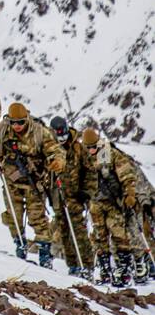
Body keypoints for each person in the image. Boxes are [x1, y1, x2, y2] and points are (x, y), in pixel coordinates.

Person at [0, 102, 65, 266]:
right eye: (13, 122)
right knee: (13, 216)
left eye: (20, 122)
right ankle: (19, 245)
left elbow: (55, 150)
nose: (17, 126)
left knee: (37, 218)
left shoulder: (39, 132)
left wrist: (57, 161)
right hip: (11, 181)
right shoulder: (3, 129)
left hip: (34, 182)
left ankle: (45, 254)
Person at [80, 127, 151, 286]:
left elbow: (127, 175)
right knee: (100, 235)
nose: (91, 150)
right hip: (95, 203)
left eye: (93, 147)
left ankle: (124, 269)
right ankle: (105, 269)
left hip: (114, 202)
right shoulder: (83, 157)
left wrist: (130, 194)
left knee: (119, 233)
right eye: (88, 147)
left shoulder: (110, 154)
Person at [49, 117, 94, 279]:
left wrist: (86, 192)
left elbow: (90, 171)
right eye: (58, 133)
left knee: (79, 230)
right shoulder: (50, 147)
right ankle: (73, 265)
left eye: (63, 132)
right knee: (64, 230)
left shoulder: (78, 148)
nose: (61, 136)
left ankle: (87, 265)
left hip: (75, 196)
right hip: (57, 195)